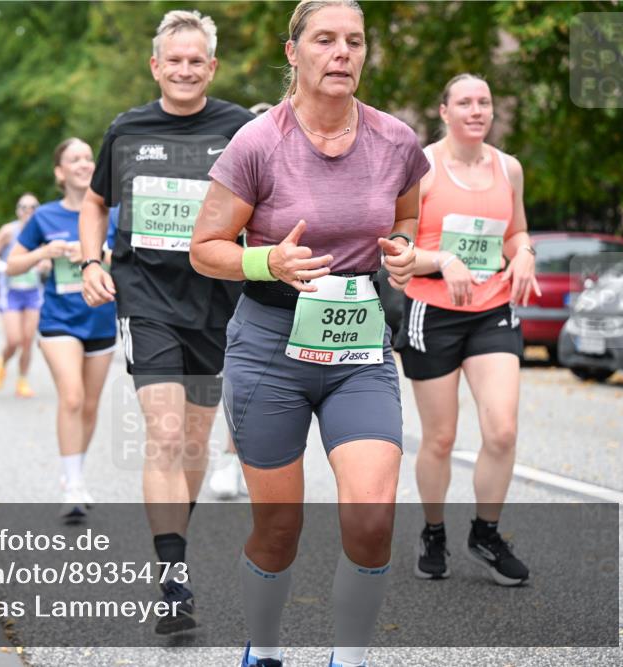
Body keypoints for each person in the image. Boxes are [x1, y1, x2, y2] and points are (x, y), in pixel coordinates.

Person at [188, 2, 429, 665]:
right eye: (325, 39)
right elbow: (204, 247)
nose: (341, 52)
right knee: (279, 527)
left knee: (373, 516)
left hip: (358, 348)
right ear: (293, 52)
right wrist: (267, 259)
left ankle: (346, 658)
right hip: (270, 343)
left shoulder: (396, 141)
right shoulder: (258, 142)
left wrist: (403, 249)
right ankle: (262, 650)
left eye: (354, 40)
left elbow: (407, 214)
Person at [79, 9, 255, 635]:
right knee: (165, 429)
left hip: (216, 303)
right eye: (172, 60)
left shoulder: (240, 128)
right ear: (155, 66)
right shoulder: (126, 131)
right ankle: (173, 576)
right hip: (146, 297)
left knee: (194, 443)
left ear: (211, 66)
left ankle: (174, 552)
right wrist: (89, 260)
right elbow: (96, 202)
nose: (184, 69)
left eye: (195, 60)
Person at [401, 73, 539, 587]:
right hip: (431, 313)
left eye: (484, 102)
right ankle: (433, 530)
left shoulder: (509, 168)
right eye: (465, 102)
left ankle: (485, 532)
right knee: (440, 439)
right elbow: (397, 249)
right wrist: (442, 260)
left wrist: (524, 253)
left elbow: (516, 230)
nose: (477, 110)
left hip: (491, 310)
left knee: (501, 429)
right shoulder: (423, 171)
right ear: (444, 111)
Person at [7, 138, 117, 522]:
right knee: (71, 397)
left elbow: (126, 259)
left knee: (88, 406)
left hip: (101, 318)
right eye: (75, 159)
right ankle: (71, 485)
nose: (84, 164)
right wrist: (46, 252)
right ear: (60, 172)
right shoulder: (44, 217)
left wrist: (94, 255)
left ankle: (75, 472)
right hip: (59, 320)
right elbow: (12, 266)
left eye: (89, 158)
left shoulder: (111, 213)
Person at [209, 102, 274, 501]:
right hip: (230, 288)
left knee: (264, 387)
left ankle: (244, 460)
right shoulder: (232, 172)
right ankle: (230, 459)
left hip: (286, 294)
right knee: (238, 382)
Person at [0, 193, 44, 397]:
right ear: (17, 210)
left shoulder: (43, 231)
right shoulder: (9, 231)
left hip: (32, 292)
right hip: (11, 292)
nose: (28, 211)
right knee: (14, 340)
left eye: (33, 207)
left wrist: (45, 264)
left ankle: (22, 381)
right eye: (23, 207)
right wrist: (2, 266)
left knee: (28, 340)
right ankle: (1, 361)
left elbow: (48, 259)